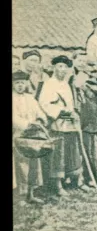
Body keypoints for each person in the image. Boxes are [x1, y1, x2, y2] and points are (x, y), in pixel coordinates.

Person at [38, 55, 89, 196]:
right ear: (54, 68)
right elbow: (44, 103)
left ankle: (76, 181)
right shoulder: (49, 84)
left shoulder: (66, 84)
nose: (62, 70)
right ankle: (57, 185)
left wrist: (73, 114)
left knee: (72, 152)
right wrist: (61, 112)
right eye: (59, 66)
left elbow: (71, 104)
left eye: (65, 67)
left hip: (70, 124)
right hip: (57, 124)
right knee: (58, 155)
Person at [12, 70, 48, 204]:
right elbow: (14, 118)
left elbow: (39, 111)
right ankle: (21, 196)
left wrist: (42, 119)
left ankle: (31, 193)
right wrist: (27, 124)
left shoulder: (30, 98)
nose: (20, 85)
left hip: (33, 136)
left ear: (26, 83)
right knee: (22, 165)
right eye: (17, 83)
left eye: (22, 83)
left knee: (34, 164)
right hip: (19, 135)